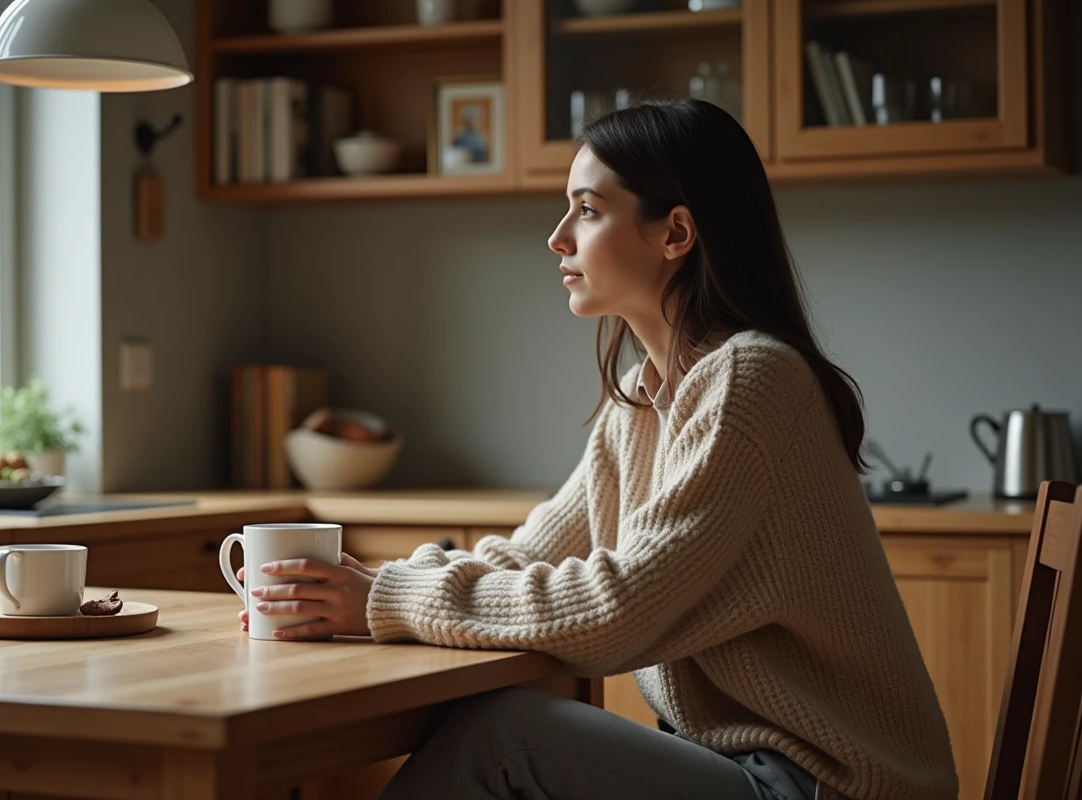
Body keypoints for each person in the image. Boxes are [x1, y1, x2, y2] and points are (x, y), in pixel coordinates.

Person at [236, 99, 959, 800]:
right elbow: (532, 553)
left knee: (503, 738)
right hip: (743, 769)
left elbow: (616, 610)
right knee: (497, 729)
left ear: (675, 233)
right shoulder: (642, 398)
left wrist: (388, 599)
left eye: (586, 209)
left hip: (829, 784)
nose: (558, 237)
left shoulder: (753, 378)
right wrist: (384, 584)